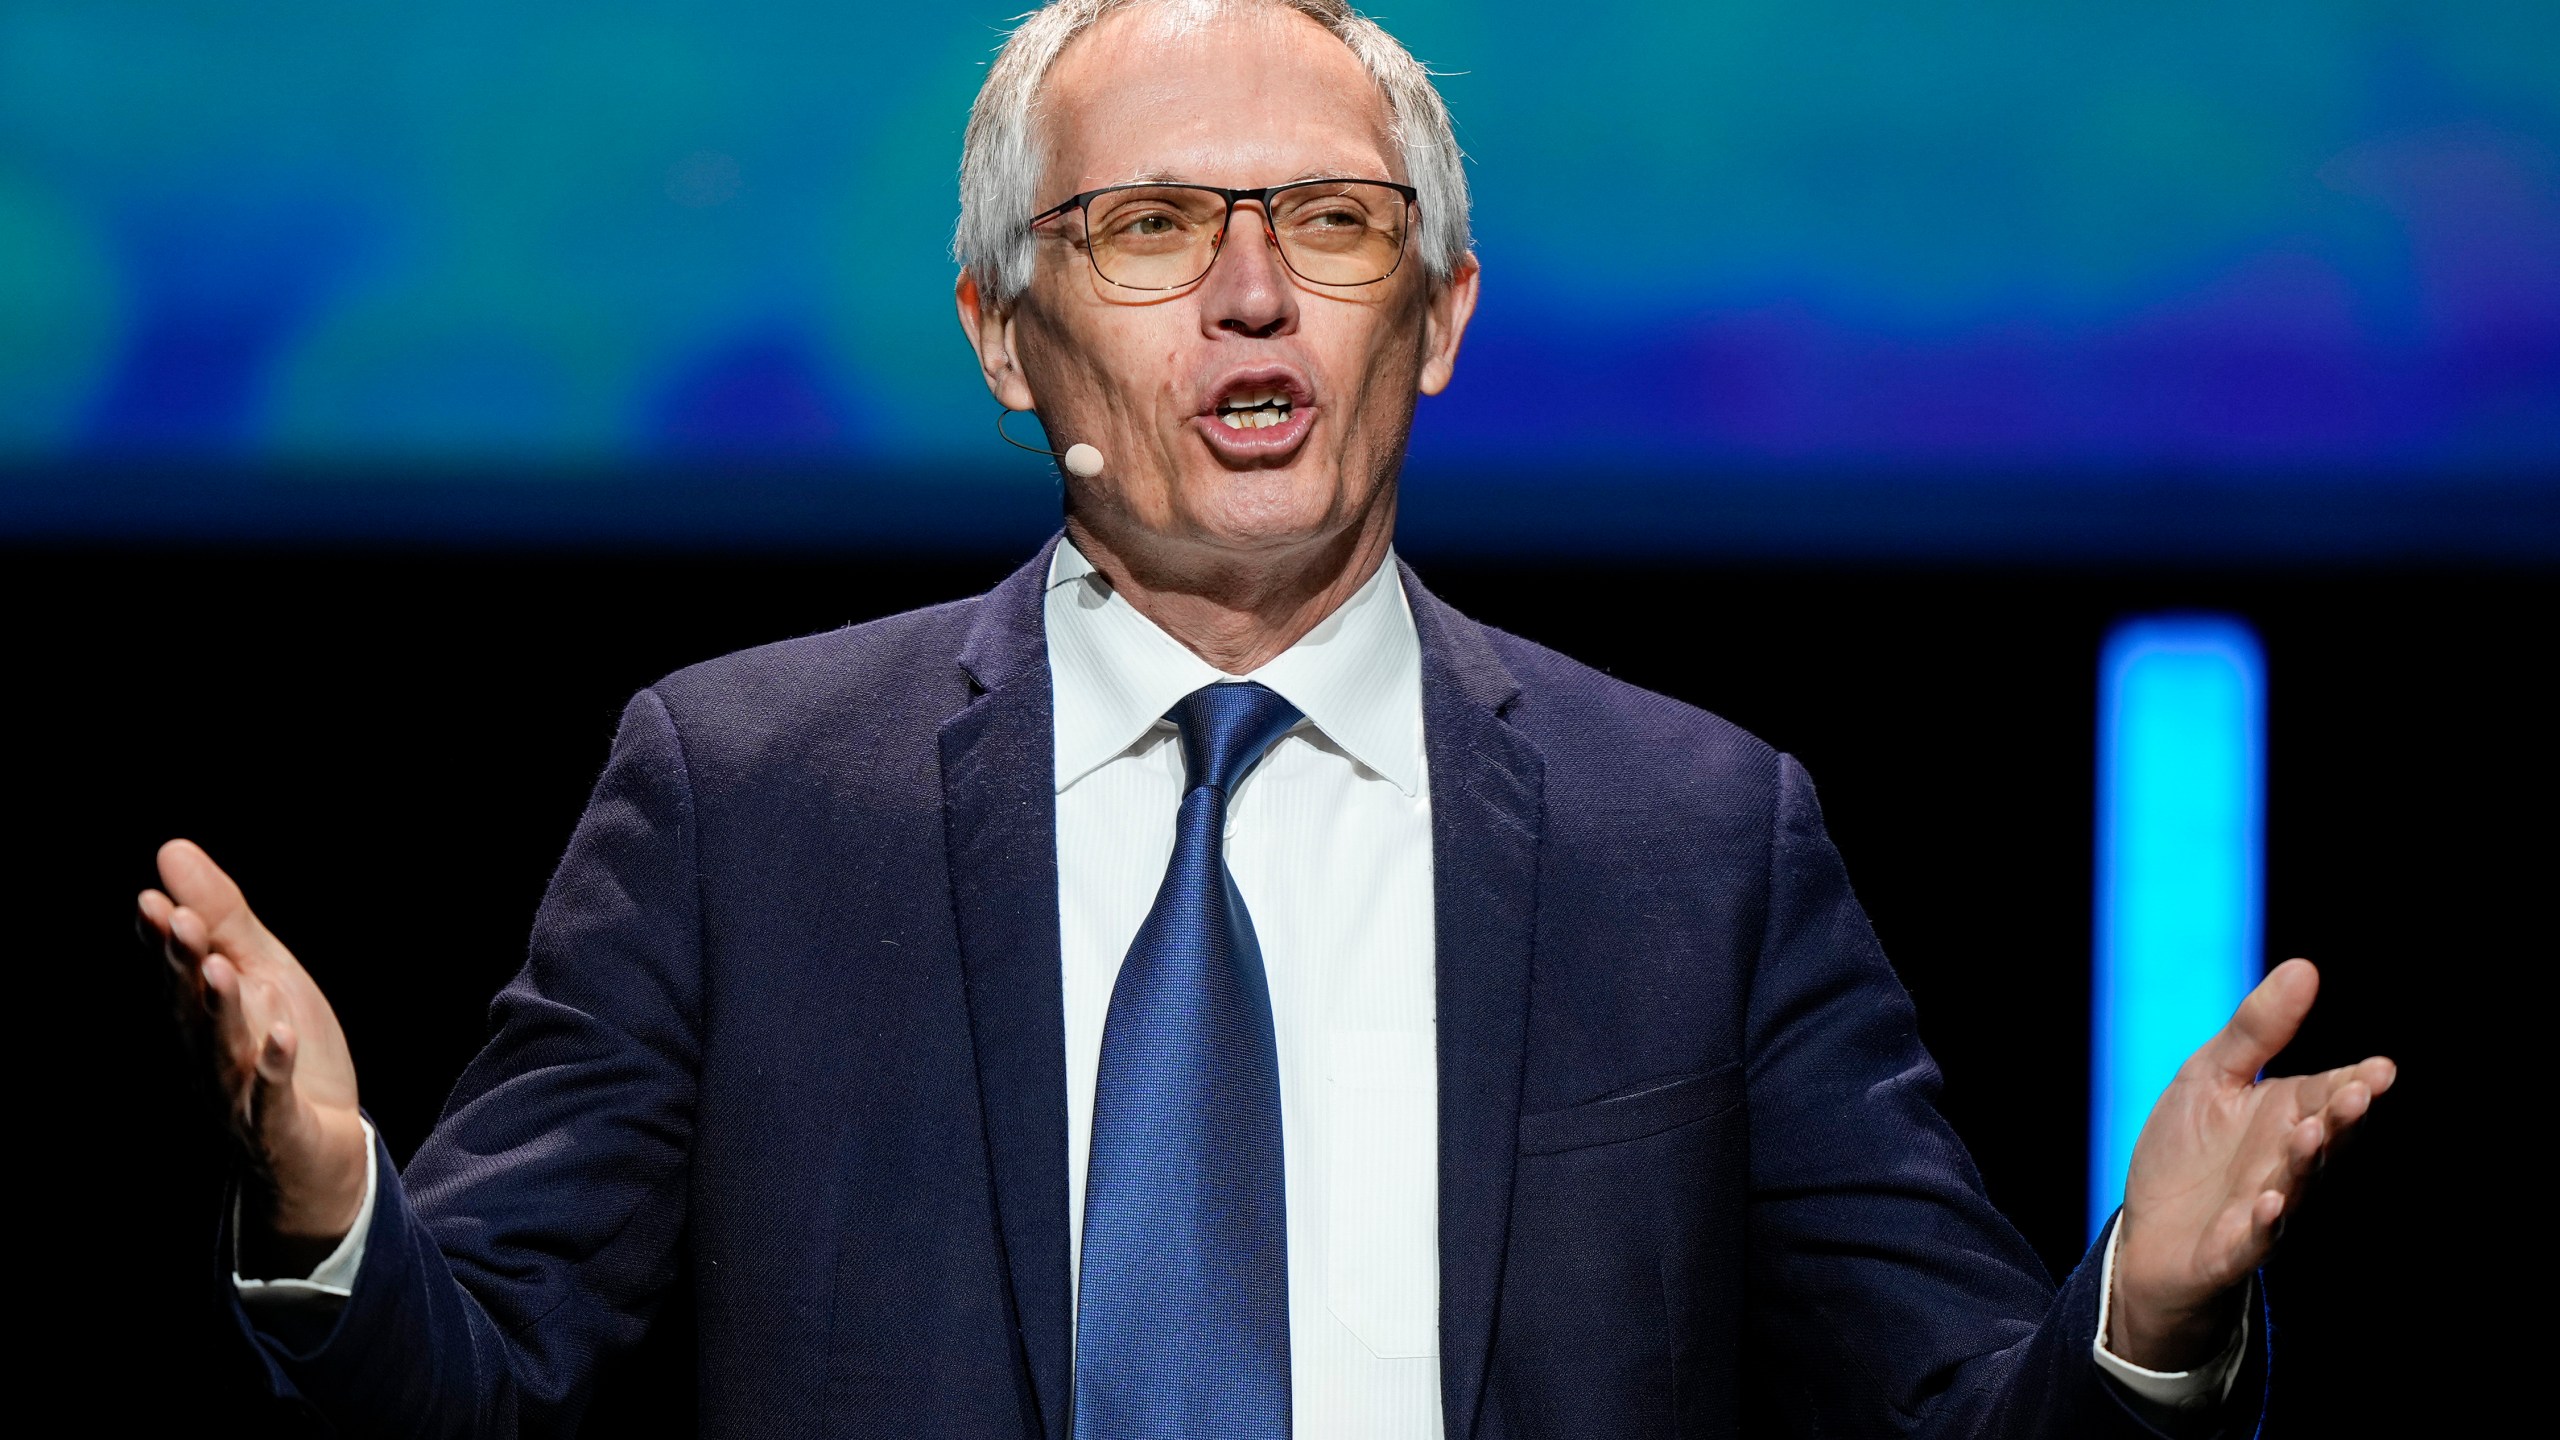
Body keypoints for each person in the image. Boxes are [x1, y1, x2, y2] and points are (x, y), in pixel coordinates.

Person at [141, 2, 2394, 1436]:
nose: (1247, 288)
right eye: (1144, 226)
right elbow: (481, 1389)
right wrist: (335, 1216)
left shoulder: (1688, 834)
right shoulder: (740, 796)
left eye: (1326, 218)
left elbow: (1959, 1416)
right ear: (1000, 329)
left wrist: (2146, 1317)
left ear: (1435, 314)